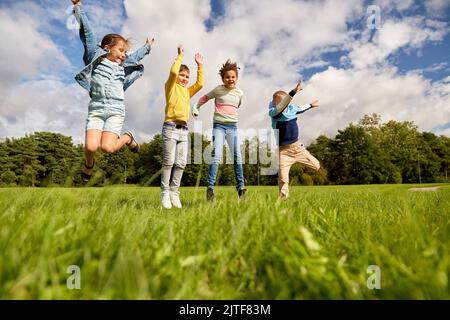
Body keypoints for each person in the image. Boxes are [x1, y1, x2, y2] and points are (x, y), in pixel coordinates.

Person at [71, 0, 154, 182]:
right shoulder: (95, 57)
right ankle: (89, 164)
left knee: (108, 148)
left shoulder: (123, 64)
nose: (124, 54)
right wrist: (78, 8)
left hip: (116, 110)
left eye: (126, 52)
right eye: (121, 50)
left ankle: (128, 138)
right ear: (107, 48)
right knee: (91, 147)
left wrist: (147, 47)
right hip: (97, 109)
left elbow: (135, 57)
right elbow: (88, 34)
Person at [192, 60, 246, 202]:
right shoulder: (218, 90)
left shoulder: (240, 93)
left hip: (232, 128)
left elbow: (237, 106)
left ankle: (241, 188)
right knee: (216, 156)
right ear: (223, 79)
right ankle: (210, 188)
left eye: (233, 77)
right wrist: (196, 107)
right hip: (219, 127)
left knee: (237, 158)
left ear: (237, 78)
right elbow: (204, 97)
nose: (230, 79)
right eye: (227, 77)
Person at [161, 45, 204, 209]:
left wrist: (200, 65)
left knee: (181, 163)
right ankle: (165, 193)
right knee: (168, 162)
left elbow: (200, 84)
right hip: (170, 128)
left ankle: (174, 192)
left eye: (187, 76)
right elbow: (173, 73)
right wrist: (180, 56)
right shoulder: (170, 86)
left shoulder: (187, 92)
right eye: (182, 74)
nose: (185, 78)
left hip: (184, 131)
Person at [268, 80, 320, 198]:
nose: (280, 106)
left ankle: (305, 161)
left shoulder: (292, 109)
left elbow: (301, 108)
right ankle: (283, 198)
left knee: (316, 166)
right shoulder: (274, 113)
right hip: (284, 152)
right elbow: (280, 107)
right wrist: (293, 92)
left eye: (282, 103)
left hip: (298, 149)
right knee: (283, 176)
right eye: (277, 104)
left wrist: (311, 105)